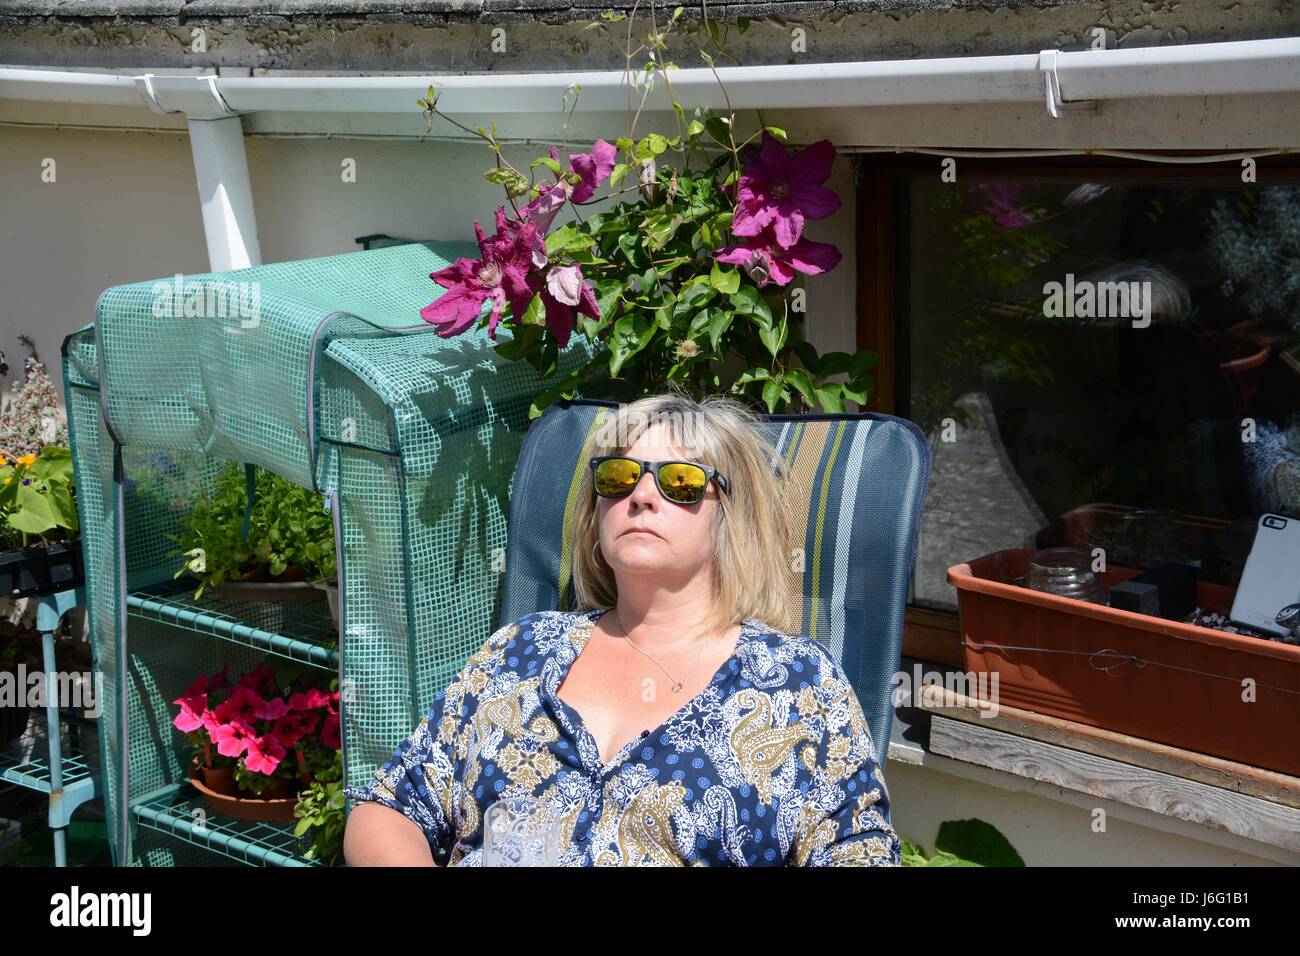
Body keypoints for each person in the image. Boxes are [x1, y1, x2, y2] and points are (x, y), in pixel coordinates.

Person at [343, 393, 900, 866]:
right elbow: (390, 807)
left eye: (680, 482)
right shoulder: (524, 649)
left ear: (729, 516)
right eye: (618, 477)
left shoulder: (795, 682)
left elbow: (859, 851)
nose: (640, 495)